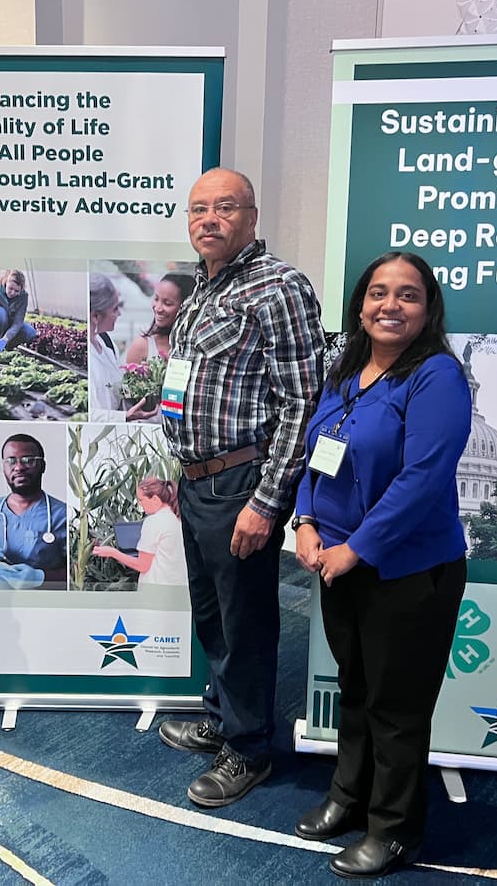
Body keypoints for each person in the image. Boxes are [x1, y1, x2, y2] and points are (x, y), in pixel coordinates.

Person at [291, 252, 471, 879]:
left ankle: (395, 829)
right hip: (339, 564)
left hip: (409, 571)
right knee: (357, 689)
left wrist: (356, 548)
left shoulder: (437, 377)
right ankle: (349, 795)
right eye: (377, 293)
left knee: (397, 705)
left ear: (429, 309)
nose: (389, 305)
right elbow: (316, 455)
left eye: (408, 295)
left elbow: (423, 479)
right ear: (360, 306)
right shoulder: (345, 374)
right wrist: (307, 522)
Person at [158, 168, 324, 807]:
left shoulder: (278, 287)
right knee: (211, 613)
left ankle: (249, 749)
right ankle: (225, 716)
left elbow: (301, 402)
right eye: (198, 209)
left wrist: (266, 501)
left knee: (245, 619)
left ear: (251, 217)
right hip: (196, 477)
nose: (209, 220)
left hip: (240, 481)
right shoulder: (201, 285)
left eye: (224, 208)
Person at [0, 433, 68, 587]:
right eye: (11, 461)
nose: (19, 467)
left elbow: (81, 570)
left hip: (46, 605)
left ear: (43, 466)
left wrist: (41, 577)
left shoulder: (65, 514)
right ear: (3, 466)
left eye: (28, 460)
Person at [91, 477, 186, 589]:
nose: (140, 504)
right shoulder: (180, 518)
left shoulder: (154, 521)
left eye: (141, 500)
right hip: (180, 588)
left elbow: (142, 565)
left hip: (157, 591)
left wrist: (113, 553)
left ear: (155, 499)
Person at [88, 272, 156, 423]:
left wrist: (139, 383)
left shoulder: (106, 343)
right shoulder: (87, 356)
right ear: (95, 316)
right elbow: (87, 415)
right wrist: (124, 417)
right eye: (114, 308)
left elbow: (114, 390)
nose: (119, 314)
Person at [124, 272, 194, 364]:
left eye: (167, 303)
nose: (158, 308)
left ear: (186, 306)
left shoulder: (195, 345)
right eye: (156, 299)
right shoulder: (142, 346)